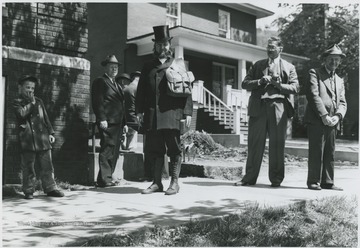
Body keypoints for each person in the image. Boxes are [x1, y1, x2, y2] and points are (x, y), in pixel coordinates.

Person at [136, 25, 193, 195]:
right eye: (159, 44)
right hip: (153, 114)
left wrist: (187, 112)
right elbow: (141, 91)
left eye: (165, 44)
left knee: (174, 149)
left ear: (170, 46)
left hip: (172, 113)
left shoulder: (178, 64)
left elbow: (187, 90)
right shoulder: (147, 66)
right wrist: (139, 111)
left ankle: (175, 183)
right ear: (155, 46)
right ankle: (156, 182)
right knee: (155, 149)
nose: (162, 47)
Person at [235, 36, 299, 187]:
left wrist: (279, 85)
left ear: (280, 49)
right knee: (254, 144)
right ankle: (249, 178)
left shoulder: (289, 67)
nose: (270, 49)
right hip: (259, 108)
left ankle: (276, 180)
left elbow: (295, 88)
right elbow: (245, 84)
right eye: (268, 47)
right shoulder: (258, 65)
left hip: (278, 108)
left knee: (277, 144)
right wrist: (259, 81)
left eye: (273, 47)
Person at [13, 75, 64, 199]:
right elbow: (22, 114)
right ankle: (29, 190)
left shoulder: (39, 101)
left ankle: (50, 188)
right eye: (27, 87)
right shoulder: (17, 102)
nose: (30, 90)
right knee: (28, 167)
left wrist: (51, 133)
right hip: (28, 139)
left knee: (47, 166)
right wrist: (31, 103)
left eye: (32, 88)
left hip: (42, 139)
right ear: (20, 88)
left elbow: (45, 119)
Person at [304, 44, 347, 190]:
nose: (334, 62)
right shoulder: (315, 73)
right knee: (316, 150)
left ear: (340, 62)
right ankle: (313, 181)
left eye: (337, 60)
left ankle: (328, 181)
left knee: (330, 151)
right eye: (331, 59)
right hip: (317, 119)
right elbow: (313, 95)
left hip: (333, 121)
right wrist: (323, 115)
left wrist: (338, 116)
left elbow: (342, 102)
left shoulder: (340, 80)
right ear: (325, 60)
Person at [91, 55, 126, 187]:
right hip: (108, 122)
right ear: (106, 67)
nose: (114, 69)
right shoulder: (100, 81)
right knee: (107, 149)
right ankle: (104, 179)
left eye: (116, 67)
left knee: (114, 150)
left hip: (118, 123)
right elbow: (97, 102)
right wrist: (102, 118)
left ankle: (107, 177)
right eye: (111, 66)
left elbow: (120, 104)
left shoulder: (116, 84)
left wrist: (124, 123)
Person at [117, 72, 139, 151]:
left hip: (127, 117)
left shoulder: (127, 91)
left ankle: (128, 147)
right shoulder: (128, 91)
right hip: (122, 117)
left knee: (130, 132)